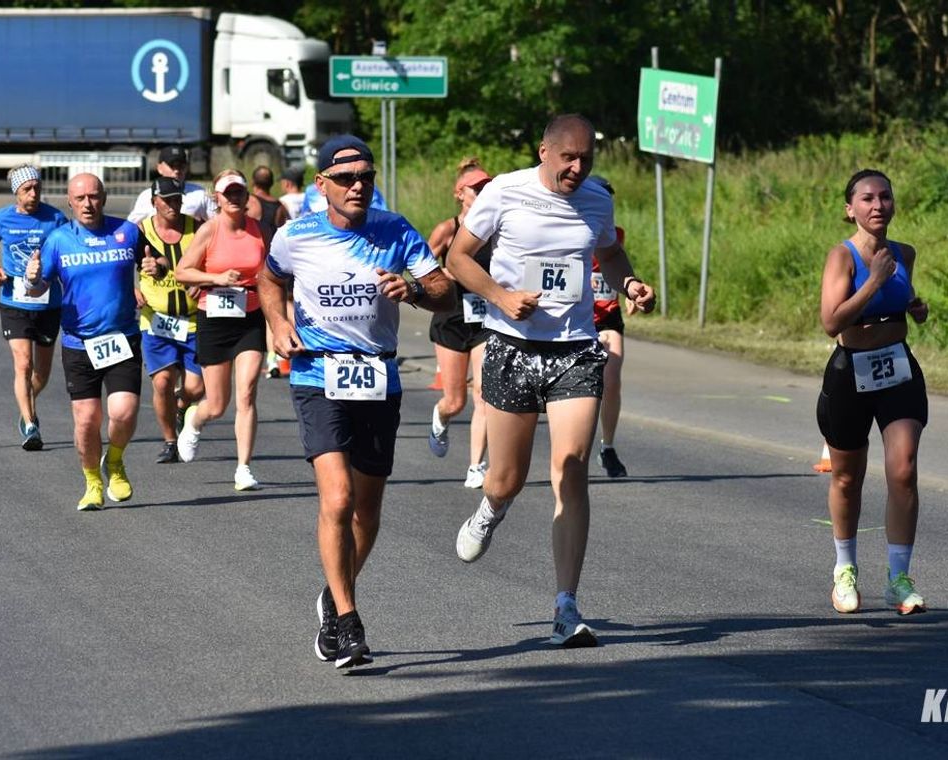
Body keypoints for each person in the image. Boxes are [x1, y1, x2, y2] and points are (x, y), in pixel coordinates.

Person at [446, 114, 655, 647]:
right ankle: (491, 508)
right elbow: (458, 258)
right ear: (545, 152)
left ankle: (566, 605)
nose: (578, 168)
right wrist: (501, 297)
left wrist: (627, 281)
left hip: (573, 351)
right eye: (569, 158)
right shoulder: (503, 193)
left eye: (586, 159)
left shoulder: (597, 200)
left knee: (570, 469)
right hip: (513, 348)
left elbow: (607, 251)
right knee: (507, 478)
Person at [259, 134, 453, 669]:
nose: (358, 186)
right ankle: (347, 622)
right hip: (317, 374)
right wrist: (277, 322)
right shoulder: (295, 235)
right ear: (322, 185)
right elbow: (268, 280)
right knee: (338, 499)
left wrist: (412, 291)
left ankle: (332, 592)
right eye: (346, 178)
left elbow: (446, 292)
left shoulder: (395, 230)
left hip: (378, 379)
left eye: (366, 176)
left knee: (367, 511)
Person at [817, 168, 930, 616]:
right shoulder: (841, 257)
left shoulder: (904, 253)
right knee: (848, 477)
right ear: (851, 210)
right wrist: (875, 281)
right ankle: (845, 570)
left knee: (903, 471)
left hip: (898, 367)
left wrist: (913, 307)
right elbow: (831, 321)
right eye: (866, 199)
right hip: (850, 373)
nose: (878, 205)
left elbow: (903, 298)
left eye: (885, 197)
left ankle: (899, 579)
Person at [24, 173, 142, 510]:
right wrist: (32, 278)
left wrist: (156, 267)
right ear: (70, 201)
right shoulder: (59, 240)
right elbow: (38, 287)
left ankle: (115, 461)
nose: (87, 204)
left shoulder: (128, 232)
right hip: (79, 344)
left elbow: (154, 263)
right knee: (87, 421)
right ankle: (92, 482)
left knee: (123, 412)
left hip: (122, 337)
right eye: (80, 199)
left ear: (103, 198)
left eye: (93, 196)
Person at [173, 169, 269, 491]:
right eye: (227, 193)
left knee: (247, 392)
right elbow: (182, 272)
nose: (233, 198)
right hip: (213, 319)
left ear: (246, 196)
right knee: (216, 404)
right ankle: (194, 421)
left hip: (249, 318)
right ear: (217, 198)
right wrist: (214, 279)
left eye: (238, 192)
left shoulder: (260, 231)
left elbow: (272, 272)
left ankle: (243, 468)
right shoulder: (209, 231)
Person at [0, 164, 67, 450]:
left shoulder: (55, 218)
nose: (33, 194)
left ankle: (26, 405)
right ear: (16, 193)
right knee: (24, 363)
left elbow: (67, 251)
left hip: (48, 303)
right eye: (26, 190)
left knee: (41, 374)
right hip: (13, 301)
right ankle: (30, 424)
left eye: (37, 188)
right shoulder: (1, 218)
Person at [426, 158, 493, 488]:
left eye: (486, 187)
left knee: (483, 394)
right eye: (476, 188)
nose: (482, 192)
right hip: (451, 317)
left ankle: (476, 465)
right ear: (459, 193)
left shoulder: (496, 229)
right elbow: (421, 268)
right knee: (456, 401)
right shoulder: (448, 229)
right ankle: (441, 416)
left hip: (484, 319)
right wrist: (449, 274)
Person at [135, 177, 206, 464]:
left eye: (177, 199)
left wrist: (203, 283)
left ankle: (182, 405)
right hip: (156, 321)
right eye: (167, 200)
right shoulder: (140, 230)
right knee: (163, 382)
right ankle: (169, 441)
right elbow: (120, 264)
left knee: (197, 388)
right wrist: (133, 287)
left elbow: (212, 262)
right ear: (155, 201)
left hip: (192, 321)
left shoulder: (198, 228)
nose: (173, 205)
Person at [586, 175, 638, 478]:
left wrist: (630, 289)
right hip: (578, 318)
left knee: (612, 378)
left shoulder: (615, 234)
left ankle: (607, 447)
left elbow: (616, 267)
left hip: (607, 316)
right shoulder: (572, 229)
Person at [247, 165, 291, 378]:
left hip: (262, 260)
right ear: (272, 182)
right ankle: (283, 351)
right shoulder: (280, 205)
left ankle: (273, 357)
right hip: (280, 258)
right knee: (284, 305)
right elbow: (287, 229)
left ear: (253, 183)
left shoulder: (251, 202)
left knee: (268, 312)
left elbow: (249, 230)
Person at [128, 146, 217, 223]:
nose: (177, 170)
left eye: (180, 166)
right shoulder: (147, 196)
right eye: (172, 166)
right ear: (159, 168)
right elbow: (132, 226)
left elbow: (218, 224)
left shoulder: (201, 193)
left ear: (186, 167)